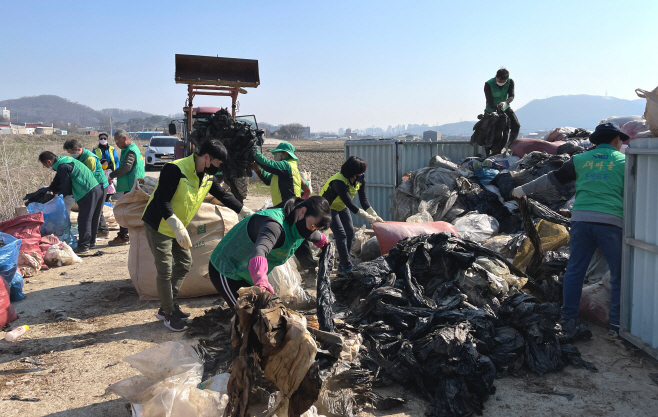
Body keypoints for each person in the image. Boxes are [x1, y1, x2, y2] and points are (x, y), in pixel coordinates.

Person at [512, 122, 627, 336]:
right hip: (611, 223)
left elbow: (552, 179)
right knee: (618, 275)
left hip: (581, 221)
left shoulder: (581, 159)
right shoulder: (625, 161)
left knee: (574, 270)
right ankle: (617, 325)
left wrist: (522, 189)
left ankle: (568, 317)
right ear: (615, 140)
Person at [142, 140, 253, 332]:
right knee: (165, 269)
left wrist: (243, 210)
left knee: (185, 263)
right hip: (159, 224)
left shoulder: (207, 176)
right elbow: (162, 199)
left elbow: (223, 195)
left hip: (179, 228)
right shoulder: (175, 169)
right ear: (207, 157)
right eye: (218, 163)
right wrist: (175, 224)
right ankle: (168, 313)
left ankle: (166, 306)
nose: (218, 168)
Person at [208, 196, 331, 309]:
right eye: (312, 226)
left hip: (249, 274)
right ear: (302, 211)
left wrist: (323, 241)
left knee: (264, 315)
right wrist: (261, 279)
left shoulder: (301, 226)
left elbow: (313, 234)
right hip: (227, 269)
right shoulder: (274, 226)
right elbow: (260, 250)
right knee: (246, 314)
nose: (312, 230)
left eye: (316, 228)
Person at [252, 142, 316, 280]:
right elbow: (268, 179)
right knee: (294, 237)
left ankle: (311, 269)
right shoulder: (285, 170)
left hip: (290, 208)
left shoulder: (286, 166)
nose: (275, 156)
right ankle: (307, 267)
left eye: (277, 153)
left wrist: (254, 152)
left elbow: (266, 163)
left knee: (298, 238)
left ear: (285, 154)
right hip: (283, 208)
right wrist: (257, 170)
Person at [320, 156, 383, 276]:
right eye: (360, 172)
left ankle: (342, 263)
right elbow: (351, 205)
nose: (362, 174)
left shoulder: (359, 180)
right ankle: (347, 266)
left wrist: (374, 215)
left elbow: (363, 200)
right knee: (341, 235)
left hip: (341, 206)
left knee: (350, 233)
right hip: (328, 207)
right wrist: (368, 218)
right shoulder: (338, 182)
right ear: (352, 172)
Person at [38, 151, 102, 255]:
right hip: (94, 188)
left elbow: (66, 186)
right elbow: (57, 180)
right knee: (90, 218)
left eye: (45, 165)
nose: (46, 167)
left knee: (84, 220)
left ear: (49, 162)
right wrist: (50, 189)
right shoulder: (63, 161)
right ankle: (90, 243)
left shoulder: (63, 167)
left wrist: (58, 196)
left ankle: (84, 247)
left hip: (87, 191)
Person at [63, 139, 110, 238]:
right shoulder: (80, 156)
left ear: (79, 149)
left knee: (96, 211)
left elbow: (88, 176)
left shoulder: (89, 158)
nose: (71, 155)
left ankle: (98, 233)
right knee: (97, 209)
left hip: (99, 185)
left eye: (71, 153)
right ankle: (102, 230)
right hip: (93, 186)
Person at [108, 129, 145, 246]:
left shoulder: (130, 151)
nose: (117, 144)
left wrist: (112, 174)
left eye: (117, 141)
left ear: (124, 138)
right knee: (133, 211)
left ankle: (123, 236)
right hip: (135, 185)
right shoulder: (133, 148)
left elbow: (126, 168)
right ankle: (133, 235)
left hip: (131, 185)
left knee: (123, 211)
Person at [484, 68, 521, 155]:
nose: (501, 82)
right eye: (499, 80)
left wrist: (505, 102)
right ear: (496, 77)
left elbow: (511, 95)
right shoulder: (488, 84)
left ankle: (510, 145)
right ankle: (492, 152)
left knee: (516, 125)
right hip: (492, 109)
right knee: (495, 132)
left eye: (503, 81)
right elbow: (489, 100)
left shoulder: (510, 82)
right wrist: (496, 109)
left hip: (505, 107)